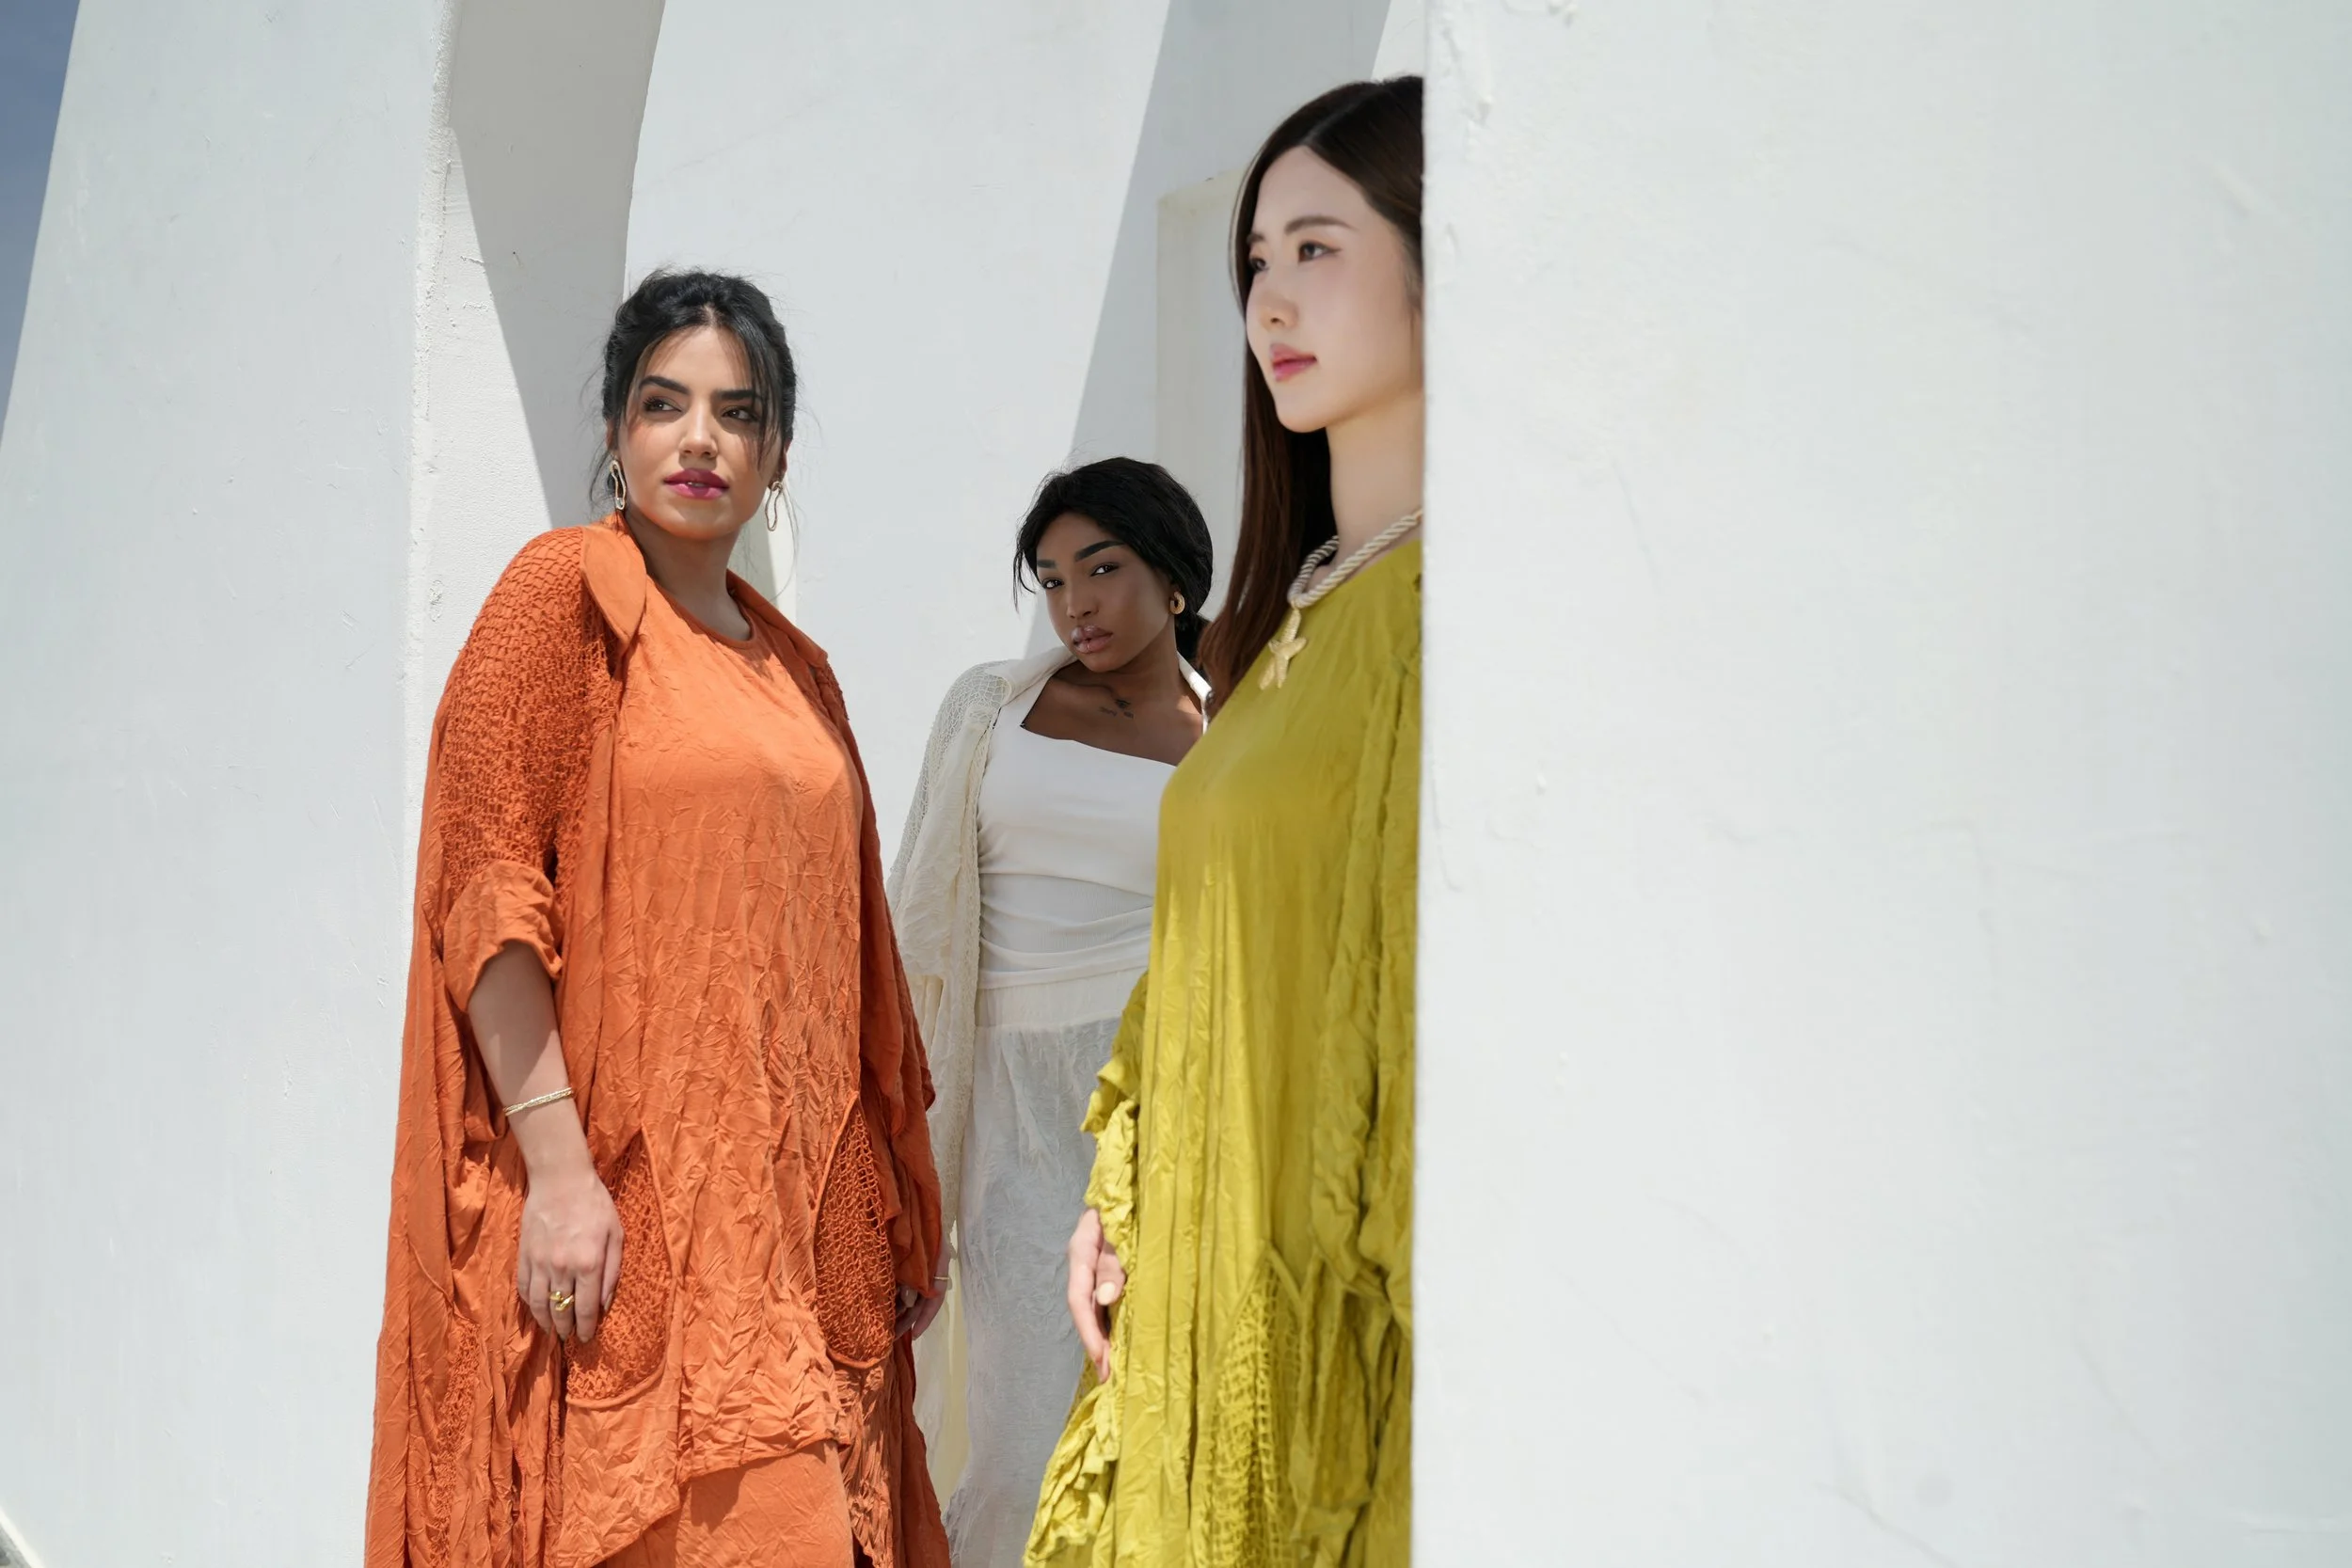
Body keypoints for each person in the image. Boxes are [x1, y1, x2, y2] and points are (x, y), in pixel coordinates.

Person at [366, 270, 949, 1568]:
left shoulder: (798, 670)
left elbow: (849, 965)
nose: (700, 438)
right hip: (635, 1224)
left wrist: (883, 1195)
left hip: (798, 1248)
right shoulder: (563, 595)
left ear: (776, 454)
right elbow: (487, 897)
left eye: (737, 414)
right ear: (617, 432)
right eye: (662, 403)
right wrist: (562, 1175)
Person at [1027, 77, 1425, 1568]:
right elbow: (1204, 938)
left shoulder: (1450, 608)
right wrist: (1122, 1186)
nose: (1271, 300)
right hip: (1189, 1264)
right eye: (1256, 261)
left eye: (1318, 247)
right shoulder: (1294, 621)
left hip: (1326, 1292)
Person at [891, 458, 1213, 1567]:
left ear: (1172, 576)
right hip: (1008, 1108)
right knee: (1021, 1429)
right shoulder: (993, 707)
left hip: (1158, 1102)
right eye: (1053, 577)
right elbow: (915, 917)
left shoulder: (1229, 732)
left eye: (1102, 568)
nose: (1076, 601)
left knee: (1152, 1417)